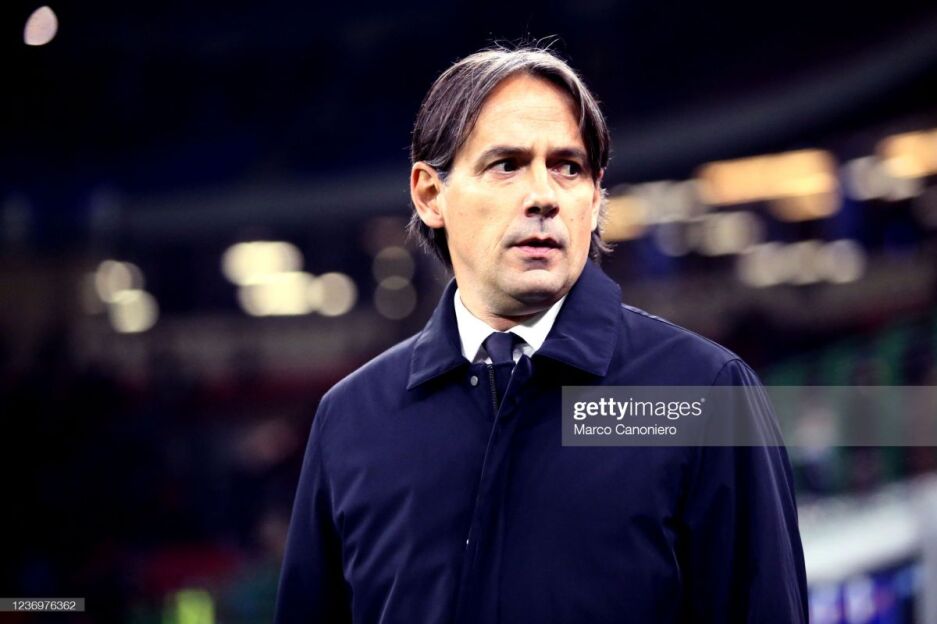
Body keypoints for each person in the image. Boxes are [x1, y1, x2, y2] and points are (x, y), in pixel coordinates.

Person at [275, 46, 808, 623]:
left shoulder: (703, 394)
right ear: (430, 195)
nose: (544, 196)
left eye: (568, 167)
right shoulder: (350, 419)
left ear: (596, 196)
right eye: (506, 165)